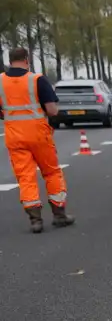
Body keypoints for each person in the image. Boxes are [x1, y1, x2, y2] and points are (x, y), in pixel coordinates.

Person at [1, 47, 73, 233]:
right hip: (39, 135)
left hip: (15, 137)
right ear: (27, 60)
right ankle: (59, 215)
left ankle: (35, 221)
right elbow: (52, 110)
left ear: (10, 61)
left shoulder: (0, 81)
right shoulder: (37, 80)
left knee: (25, 177)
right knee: (51, 173)